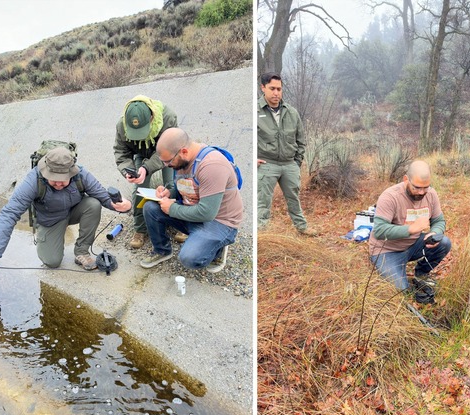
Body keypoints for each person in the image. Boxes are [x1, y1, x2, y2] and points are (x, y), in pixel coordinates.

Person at [0, 147, 132, 279]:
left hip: (73, 211)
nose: (59, 183)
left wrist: (122, 205)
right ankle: (48, 237)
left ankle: (81, 251)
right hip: (50, 220)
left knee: (93, 204)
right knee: (52, 262)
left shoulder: (81, 174)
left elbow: (103, 196)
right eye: (54, 180)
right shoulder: (33, 179)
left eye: (63, 180)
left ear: (71, 172)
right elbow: (9, 213)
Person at [139, 127, 243, 273]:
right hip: (193, 209)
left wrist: (172, 209)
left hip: (219, 221)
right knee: (151, 208)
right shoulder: (182, 160)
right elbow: (188, 186)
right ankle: (162, 251)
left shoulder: (212, 166)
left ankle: (217, 248)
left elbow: (207, 213)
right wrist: (170, 192)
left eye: (168, 161)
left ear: (183, 152)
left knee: (189, 258)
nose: (167, 166)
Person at [368, 161, 452, 303]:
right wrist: (411, 229)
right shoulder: (390, 196)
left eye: (426, 187)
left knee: (443, 242)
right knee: (400, 291)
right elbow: (379, 230)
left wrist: (435, 232)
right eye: (417, 187)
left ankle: (422, 273)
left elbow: (439, 221)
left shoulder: (430, 194)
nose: (421, 192)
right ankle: (398, 272)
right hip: (386, 250)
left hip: (412, 245)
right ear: (406, 179)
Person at [113, 95, 185, 249]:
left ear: (152, 117)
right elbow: (121, 152)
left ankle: (180, 223)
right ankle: (140, 229)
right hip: (141, 152)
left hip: (167, 152)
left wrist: (147, 168)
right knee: (139, 190)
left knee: (172, 185)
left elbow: (170, 149)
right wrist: (128, 171)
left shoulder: (168, 118)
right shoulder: (121, 125)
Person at [257, 72, 317, 236]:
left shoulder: (291, 112)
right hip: (266, 164)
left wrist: (296, 163)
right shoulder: (255, 112)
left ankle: (302, 227)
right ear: (263, 88)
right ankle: (262, 235)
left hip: (289, 164)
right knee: (262, 202)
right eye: (272, 88)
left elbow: (301, 140)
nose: (276, 93)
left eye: (279, 89)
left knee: (294, 198)